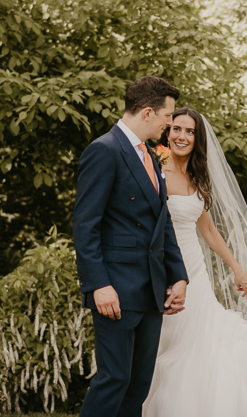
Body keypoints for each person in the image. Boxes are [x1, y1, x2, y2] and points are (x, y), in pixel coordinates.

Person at [142, 107, 247, 417]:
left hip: (195, 270)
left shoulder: (198, 177)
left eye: (189, 132)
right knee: (164, 342)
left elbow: (208, 229)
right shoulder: (154, 171)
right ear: (167, 132)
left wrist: (237, 267)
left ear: (197, 139)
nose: (181, 136)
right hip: (162, 267)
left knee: (198, 339)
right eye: (176, 129)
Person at [72, 76, 189, 417]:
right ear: (149, 112)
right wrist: (98, 284)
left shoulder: (150, 157)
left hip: (151, 290)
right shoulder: (104, 150)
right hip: (116, 289)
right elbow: (85, 224)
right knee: (114, 379)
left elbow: (162, 223)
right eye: (168, 116)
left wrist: (178, 276)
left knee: (138, 384)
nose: (170, 125)